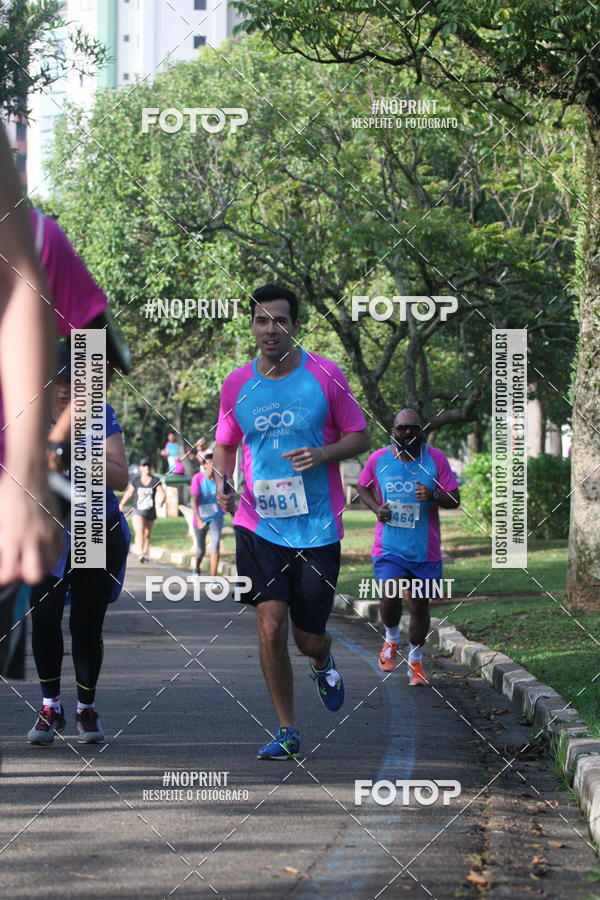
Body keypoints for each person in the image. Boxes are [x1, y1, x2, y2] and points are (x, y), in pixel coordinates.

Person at [214, 284, 370, 761]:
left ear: (295, 327)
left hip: (318, 525)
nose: (270, 329)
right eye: (261, 320)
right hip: (258, 523)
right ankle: (287, 729)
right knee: (269, 621)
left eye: (279, 321)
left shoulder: (325, 375)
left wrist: (323, 453)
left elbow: (359, 435)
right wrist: (224, 480)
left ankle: (321, 659)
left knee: (306, 636)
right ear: (252, 326)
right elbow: (226, 441)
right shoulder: (237, 383)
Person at [27, 343, 130, 745]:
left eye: (77, 380)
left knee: (87, 622)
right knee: (46, 616)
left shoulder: (100, 414)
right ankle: (50, 705)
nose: (67, 389)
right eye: (60, 380)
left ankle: (87, 709)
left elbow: (121, 478)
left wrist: (79, 455)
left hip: (93, 528)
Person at [357, 408, 460, 685]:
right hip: (389, 547)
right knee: (390, 595)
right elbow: (362, 487)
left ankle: (415, 661)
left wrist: (434, 495)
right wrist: (377, 508)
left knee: (419, 606)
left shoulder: (435, 459)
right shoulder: (378, 459)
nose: (407, 433)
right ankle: (391, 640)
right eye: (401, 428)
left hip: (425, 550)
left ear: (421, 431)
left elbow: (455, 498)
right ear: (393, 432)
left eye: (413, 428)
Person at [119, 458, 166, 562]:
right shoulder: (136, 480)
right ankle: (141, 553)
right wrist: (122, 503)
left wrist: (162, 500)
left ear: (151, 467)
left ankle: (145, 553)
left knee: (147, 534)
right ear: (140, 467)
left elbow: (162, 492)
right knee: (139, 531)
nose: (147, 468)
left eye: (149, 465)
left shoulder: (155, 480)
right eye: (144, 465)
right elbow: (129, 493)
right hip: (138, 510)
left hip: (150, 510)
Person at [190, 450, 224, 582]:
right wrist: (198, 519)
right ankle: (196, 569)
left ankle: (213, 579)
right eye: (209, 463)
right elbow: (194, 500)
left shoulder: (220, 479)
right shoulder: (197, 478)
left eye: (214, 463)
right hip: (200, 517)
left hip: (216, 516)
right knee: (200, 550)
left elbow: (226, 495)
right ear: (204, 465)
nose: (212, 465)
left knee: (215, 546)